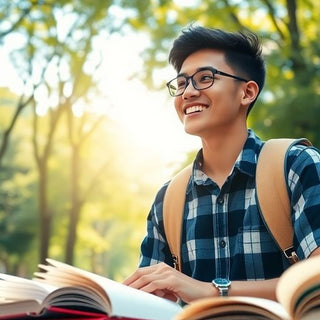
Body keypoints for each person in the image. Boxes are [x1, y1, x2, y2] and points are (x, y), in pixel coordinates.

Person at [123, 25, 320, 304]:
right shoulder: (167, 200)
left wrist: (214, 291)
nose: (188, 93)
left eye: (205, 78)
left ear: (247, 92)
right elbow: (149, 301)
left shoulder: (296, 166)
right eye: (181, 84)